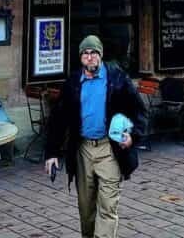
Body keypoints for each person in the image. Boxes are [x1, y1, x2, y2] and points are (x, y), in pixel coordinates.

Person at [44, 35, 146, 238]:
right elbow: (58, 118)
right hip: (83, 150)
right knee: (86, 209)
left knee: (108, 208)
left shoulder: (117, 79)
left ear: (100, 55)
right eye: (85, 53)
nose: (90, 57)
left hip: (109, 148)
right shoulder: (73, 82)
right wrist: (52, 152)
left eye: (94, 53)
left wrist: (133, 136)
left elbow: (139, 111)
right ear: (81, 57)